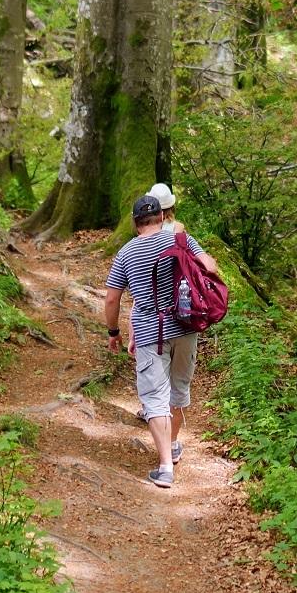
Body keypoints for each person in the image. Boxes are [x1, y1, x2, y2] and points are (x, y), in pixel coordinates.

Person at [103, 192, 207, 489]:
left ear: (136, 223)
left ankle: (164, 468)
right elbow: (209, 267)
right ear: (162, 217)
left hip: (150, 333)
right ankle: (172, 445)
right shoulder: (181, 240)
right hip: (186, 326)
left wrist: (114, 333)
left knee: (154, 397)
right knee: (178, 390)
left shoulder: (126, 253)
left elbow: (112, 299)